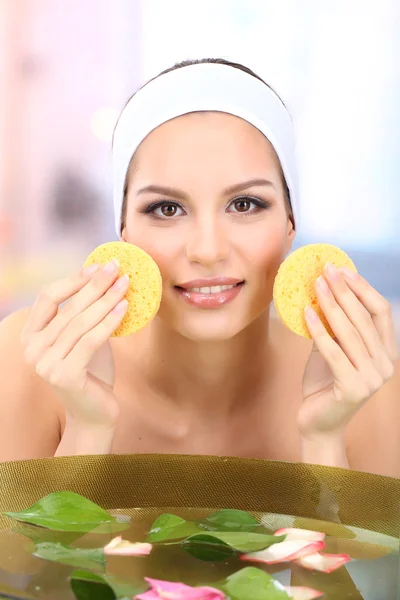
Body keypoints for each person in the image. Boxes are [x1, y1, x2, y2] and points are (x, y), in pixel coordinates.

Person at [0, 58, 399, 477]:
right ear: (124, 233)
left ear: (290, 224)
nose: (207, 250)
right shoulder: (24, 362)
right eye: (167, 208)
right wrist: (86, 429)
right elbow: (21, 545)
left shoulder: (365, 380)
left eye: (245, 204)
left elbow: (369, 546)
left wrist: (324, 440)